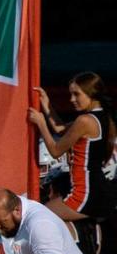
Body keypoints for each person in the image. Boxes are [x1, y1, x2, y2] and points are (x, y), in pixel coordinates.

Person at [29, 73, 115, 222]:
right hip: (95, 190)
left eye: (77, 94)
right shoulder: (100, 116)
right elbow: (59, 129)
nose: (72, 99)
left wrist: (41, 123)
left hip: (84, 193)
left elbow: (56, 151)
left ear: (91, 93)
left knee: (36, 218)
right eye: (71, 94)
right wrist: (47, 104)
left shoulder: (85, 120)